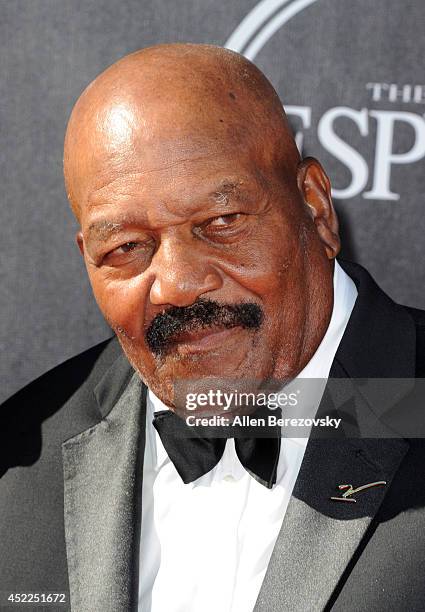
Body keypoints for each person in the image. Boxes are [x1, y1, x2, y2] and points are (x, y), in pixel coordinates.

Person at [1, 43, 425, 612]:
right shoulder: (16, 466)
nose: (176, 284)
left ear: (315, 209)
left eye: (221, 221)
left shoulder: (411, 399)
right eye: (127, 246)